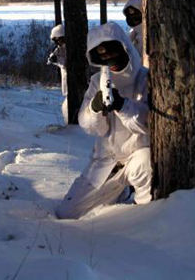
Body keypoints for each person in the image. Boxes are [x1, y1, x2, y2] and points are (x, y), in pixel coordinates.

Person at [56, 21, 152, 219]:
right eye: (103, 56)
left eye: (113, 52)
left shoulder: (145, 79)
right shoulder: (96, 82)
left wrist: (122, 105)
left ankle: (146, 216)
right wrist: (95, 109)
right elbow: (91, 127)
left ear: (124, 47)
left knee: (145, 162)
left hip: (137, 156)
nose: (110, 58)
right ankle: (119, 194)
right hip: (106, 161)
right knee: (66, 213)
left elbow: (149, 124)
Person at [46, 24, 69, 123]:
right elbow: (51, 59)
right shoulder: (60, 48)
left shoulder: (69, 47)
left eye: (59, 39)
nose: (58, 42)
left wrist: (57, 60)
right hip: (65, 79)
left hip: (71, 79)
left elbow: (67, 63)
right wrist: (52, 58)